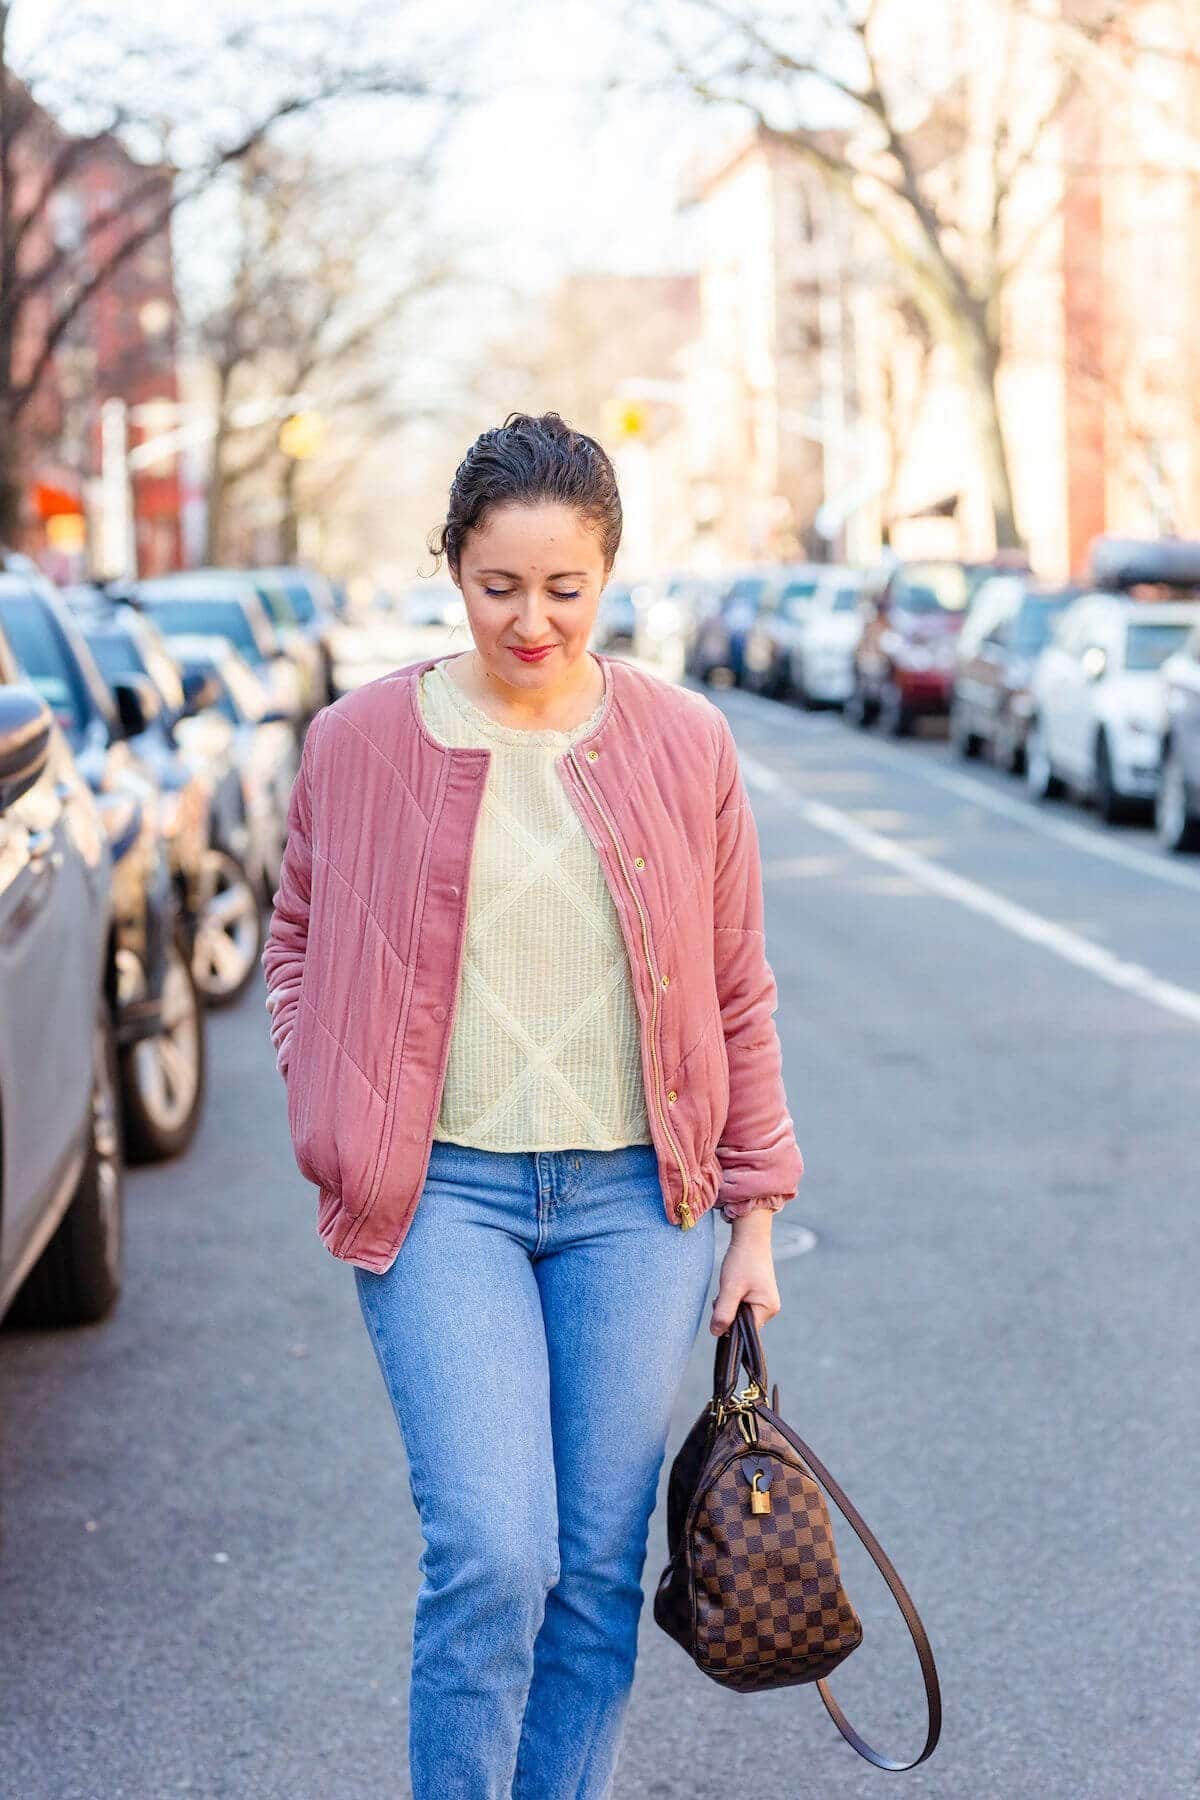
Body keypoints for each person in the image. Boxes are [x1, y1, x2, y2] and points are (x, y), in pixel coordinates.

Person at [261, 411, 804, 1798]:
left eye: (566, 589)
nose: (533, 619)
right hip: (442, 1190)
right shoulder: (360, 740)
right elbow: (298, 942)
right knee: (497, 1552)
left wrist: (754, 1212)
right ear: (452, 569)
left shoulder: (684, 743)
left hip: (641, 1202)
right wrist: (328, 1103)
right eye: (500, 586)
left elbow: (737, 982)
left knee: (596, 1568)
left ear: (608, 577)